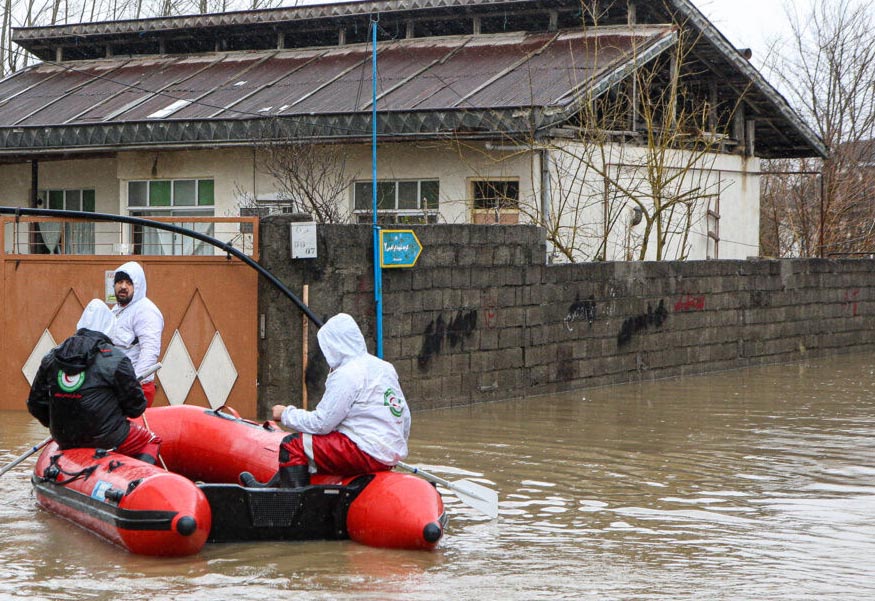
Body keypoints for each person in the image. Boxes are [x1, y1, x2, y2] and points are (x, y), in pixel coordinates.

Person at [240, 313, 410, 488]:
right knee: (316, 444)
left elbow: (322, 423)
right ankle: (270, 488)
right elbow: (404, 416)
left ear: (333, 345)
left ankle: (289, 508)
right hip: (388, 454)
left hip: (363, 451)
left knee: (293, 445)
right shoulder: (384, 368)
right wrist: (394, 450)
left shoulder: (346, 374)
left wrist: (285, 414)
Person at [27, 299, 162, 464]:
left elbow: (35, 403)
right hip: (106, 437)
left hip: (63, 436)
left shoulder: (52, 356)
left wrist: (57, 424)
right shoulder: (116, 358)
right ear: (109, 327)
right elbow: (136, 408)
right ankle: (137, 480)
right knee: (151, 441)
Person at [111, 261, 164, 407]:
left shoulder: (145, 311)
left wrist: (133, 383)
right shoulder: (116, 311)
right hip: (115, 386)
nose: (123, 286)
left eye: (129, 283)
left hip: (135, 388)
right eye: (119, 282)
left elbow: (150, 351)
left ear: (138, 286)